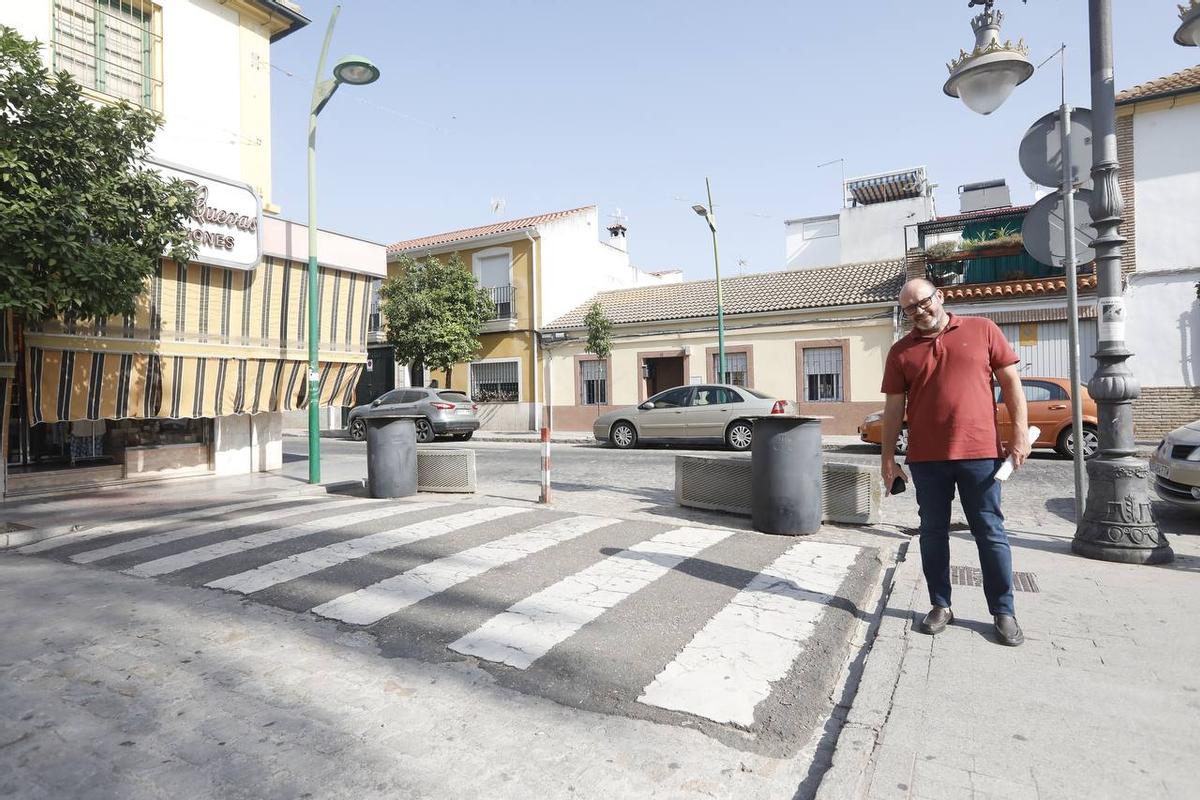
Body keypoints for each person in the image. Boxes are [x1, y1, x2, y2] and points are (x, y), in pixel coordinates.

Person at [880, 278, 1031, 647]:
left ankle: (1003, 611)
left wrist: (1020, 433)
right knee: (932, 533)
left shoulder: (982, 330)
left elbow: (1011, 383)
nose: (919, 311)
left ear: (940, 297)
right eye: (910, 308)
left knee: (990, 532)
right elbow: (894, 409)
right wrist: (887, 458)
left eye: (924, 302)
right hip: (927, 458)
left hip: (980, 453)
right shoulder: (901, 352)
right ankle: (941, 605)